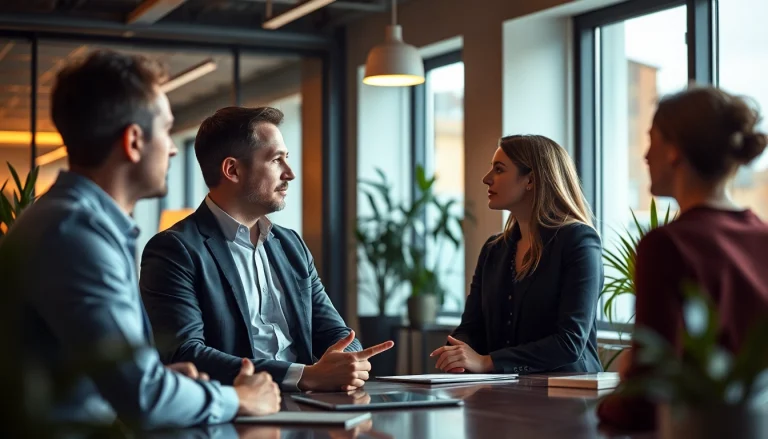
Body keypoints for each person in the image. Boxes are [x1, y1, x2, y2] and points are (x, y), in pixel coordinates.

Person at [0, 51, 281, 430]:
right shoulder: (75, 233)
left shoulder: (75, 221)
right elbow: (143, 397)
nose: (172, 147)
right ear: (133, 141)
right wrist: (239, 398)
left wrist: (163, 379)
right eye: (166, 130)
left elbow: (117, 377)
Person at [139, 106, 393, 392]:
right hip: (236, 408)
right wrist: (303, 376)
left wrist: (349, 361)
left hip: (311, 403)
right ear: (232, 170)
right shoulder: (174, 250)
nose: (290, 173)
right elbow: (185, 354)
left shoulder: (291, 245)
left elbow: (336, 333)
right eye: (276, 160)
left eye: (287, 159)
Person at [597, 86, 768, 429]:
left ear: (674, 150)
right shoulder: (762, 236)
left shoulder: (666, 245)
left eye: (652, 140)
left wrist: (607, 404)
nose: (646, 155)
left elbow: (644, 402)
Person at [430, 135, 603, 375]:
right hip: (503, 388)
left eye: (499, 170)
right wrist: (458, 352)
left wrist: (487, 362)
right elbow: (472, 327)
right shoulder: (493, 250)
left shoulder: (579, 241)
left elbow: (569, 342)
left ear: (530, 179)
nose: (486, 178)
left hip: (568, 389)